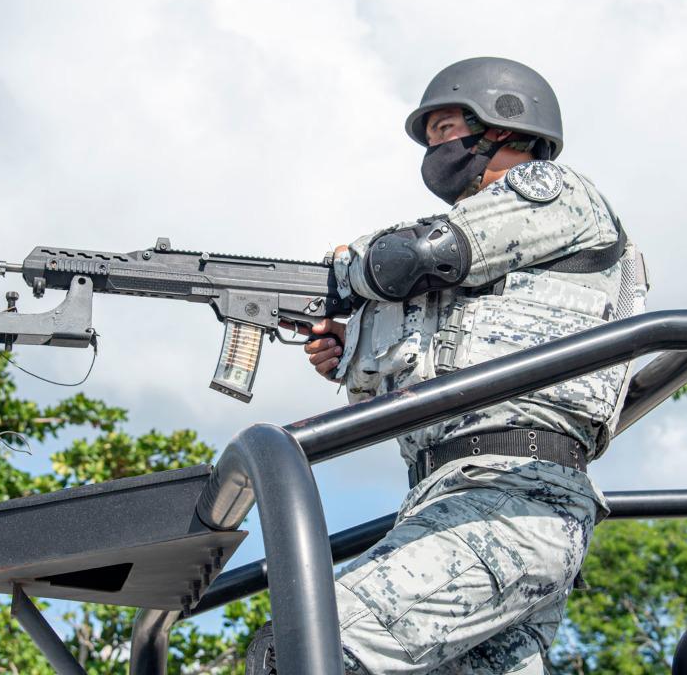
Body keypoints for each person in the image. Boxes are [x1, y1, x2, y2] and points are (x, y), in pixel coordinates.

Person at [256, 57, 650, 674]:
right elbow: (401, 383)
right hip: (453, 497)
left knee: (308, 647)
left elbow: (419, 254)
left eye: (444, 130)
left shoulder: (556, 194)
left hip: (512, 493)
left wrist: (346, 272)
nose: (433, 149)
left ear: (503, 129)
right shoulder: (485, 279)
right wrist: (348, 352)